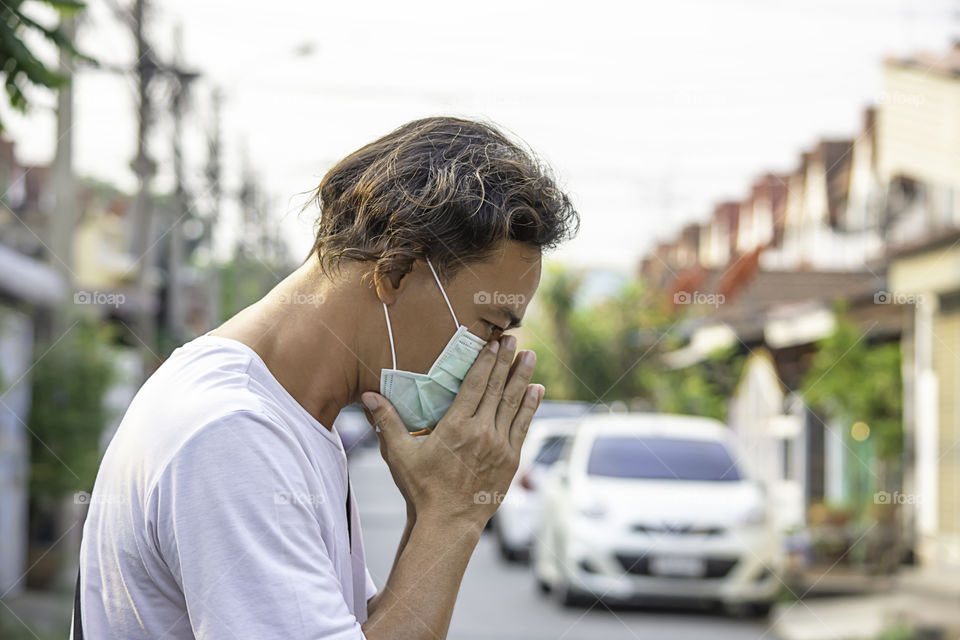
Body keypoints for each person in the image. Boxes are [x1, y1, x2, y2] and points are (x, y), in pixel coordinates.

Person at [74, 116, 578, 639]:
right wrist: (454, 517)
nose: (492, 359)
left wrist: (431, 510)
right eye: (490, 326)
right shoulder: (232, 432)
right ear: (395, 271)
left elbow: (364, 629)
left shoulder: (289, 416)